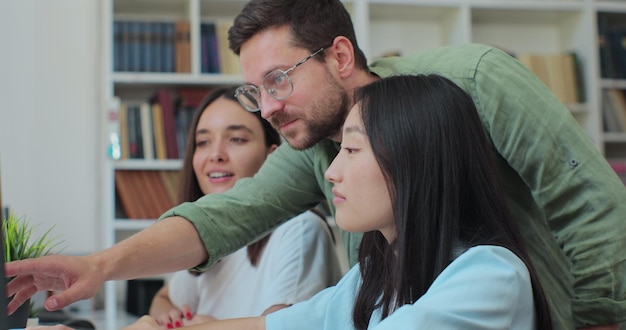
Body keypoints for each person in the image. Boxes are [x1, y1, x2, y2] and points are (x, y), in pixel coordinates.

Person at [6, 0, 626, 329]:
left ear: (339, 54)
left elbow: (592, 211)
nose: (268, 108)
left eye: (278, 81)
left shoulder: (474, 80)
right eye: (256, 92)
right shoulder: (319, 154)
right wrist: (98, 266)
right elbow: (224, 218)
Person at [126, 74, 552, 330]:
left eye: (351, 150)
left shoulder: (491, 275)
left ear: (413, 161)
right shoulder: (377, 276)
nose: (331, 172)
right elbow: (284, 324)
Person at [149, 87, 343, 328]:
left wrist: (211, 325)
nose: (215, 155)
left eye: (237, 139)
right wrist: (169, 315)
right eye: (203, 142)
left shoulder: (301, 229)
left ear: (275, 158)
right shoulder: (209, 234)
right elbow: (164, 297)